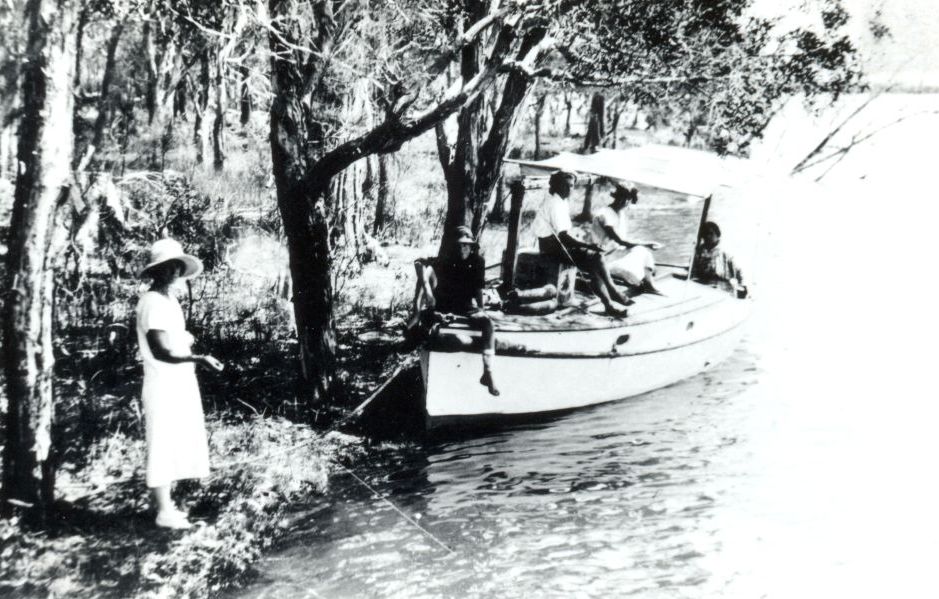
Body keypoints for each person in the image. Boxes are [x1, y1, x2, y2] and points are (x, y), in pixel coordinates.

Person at [135, 238, 224, 529]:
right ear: (155, 271)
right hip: (162, 382)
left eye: (176, 266)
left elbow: (171, 338)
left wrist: (186, 342)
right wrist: (199, 358)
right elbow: (160, 350)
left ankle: (170, 504)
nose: (173, 272)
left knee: (176, 439)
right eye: (166, 267)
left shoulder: (169, 300)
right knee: (162, 442)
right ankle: (163, 511)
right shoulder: (151, 302)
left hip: (178, 380)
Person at [407, 226, 499, 395]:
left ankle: (488, 371)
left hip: (467, 305)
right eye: (460, 245)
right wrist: (427, 290)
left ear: (472, 247)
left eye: (467, 245)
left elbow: (479, 288)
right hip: (446, 304)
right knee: (432, 326)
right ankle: (415, 330)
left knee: (488, 325)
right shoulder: (445, 260)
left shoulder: (478, 262)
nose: (463, 249)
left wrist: (482, 310)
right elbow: (419, 264)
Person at [532, 170, 631, 316]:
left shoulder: (561, 201)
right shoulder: (554, 203)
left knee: (594, 264)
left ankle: (610, 303)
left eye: (571, 186)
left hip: (558, 245)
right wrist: (587, 245)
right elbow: (564, 237)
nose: (569, 189)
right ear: (557, 186)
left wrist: (583, 243)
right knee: (596, 257)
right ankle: (613, 292)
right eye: (565, 185)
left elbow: (564, 233)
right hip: (551, 248)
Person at [589, 183, 664, 295]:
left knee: (643, 252)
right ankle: (637, 281)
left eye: (627, 199)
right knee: (632, 270)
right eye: (621, 197)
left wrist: (644, 246)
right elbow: (620, 241)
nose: (624, 201)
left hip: (616, 253)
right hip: (602, 258)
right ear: (616, 197)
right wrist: (647, 244)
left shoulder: (621, 214)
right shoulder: (604, 214)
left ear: (630, 200)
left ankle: (649, 285)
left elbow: (624, 241)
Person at [693, 221, 746, 295]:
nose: (708, 236)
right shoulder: (699, 251)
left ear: (717, 234)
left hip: (722, 288)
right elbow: (694, 270)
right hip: (702, 286)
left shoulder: (726, 251)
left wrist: (742, 286)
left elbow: (739, 271)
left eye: (711, 233)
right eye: (705, 234)